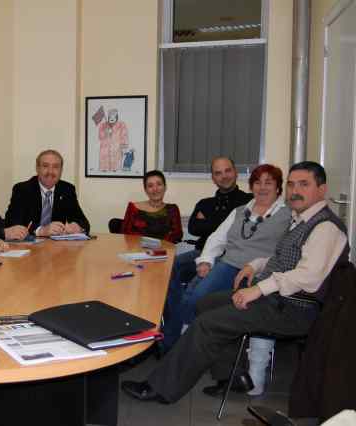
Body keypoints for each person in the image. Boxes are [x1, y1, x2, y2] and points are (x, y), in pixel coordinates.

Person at [121, 161, 349, 405]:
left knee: (208, 323)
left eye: (304, 184)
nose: (295, 191)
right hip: (275, 297)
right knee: (205, 304)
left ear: (322, 189)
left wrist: (257, 289)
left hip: (293, 308)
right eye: (292, 184)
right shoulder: (300, 219)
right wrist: (256, 265)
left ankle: (160, 388)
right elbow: (283, 257)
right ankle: (232, 375)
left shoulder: (325, 227)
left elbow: (308, 277)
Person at [162, 165, 289, 355]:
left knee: (225, 308)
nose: (262, 187)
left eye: (268, 183)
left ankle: (200, 344)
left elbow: (286, 250)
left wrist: (260, 264)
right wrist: (206, 260)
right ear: (251, 186)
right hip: (229, 264)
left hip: (260, 272)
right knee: (197, 297)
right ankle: (186, 342)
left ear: (278, 187)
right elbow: (218, 238)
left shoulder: (288, 214)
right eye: (257, 182)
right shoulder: (240, 211)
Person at [163, 157, 252, 351]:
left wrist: (209, 222)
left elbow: (228, 232)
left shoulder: (248, 202)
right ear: (213, 177)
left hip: (227, 257)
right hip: (200, 252)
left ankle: (174, 340)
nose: (224, 176)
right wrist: (218, 223)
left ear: (235, 172)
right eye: (218, 173)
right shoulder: (205, 202)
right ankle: (175, 319)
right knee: (167, 267)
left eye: (227, 171)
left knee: (193, 289)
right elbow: (194, 228)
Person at [5, 149, 90, 236]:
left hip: (57, 243)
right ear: (37, 168)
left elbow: (84, 223)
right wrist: (41, 230)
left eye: (55, 167)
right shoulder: (22, 189)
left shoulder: (67, 189)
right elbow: (11, 223)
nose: (50, 171)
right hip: (30, 243)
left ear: (61, 170)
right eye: (45, 166)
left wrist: (78, 227)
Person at [120, 170, 183, 243]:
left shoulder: (172, 209)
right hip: (136, 249)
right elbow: (125, 234)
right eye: (150, 186)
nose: (155, 189)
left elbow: (177, 235)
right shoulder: (133, 208)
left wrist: (159, 244)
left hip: (164, 249)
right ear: (146, 190)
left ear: (165, 187)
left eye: (159, 184)